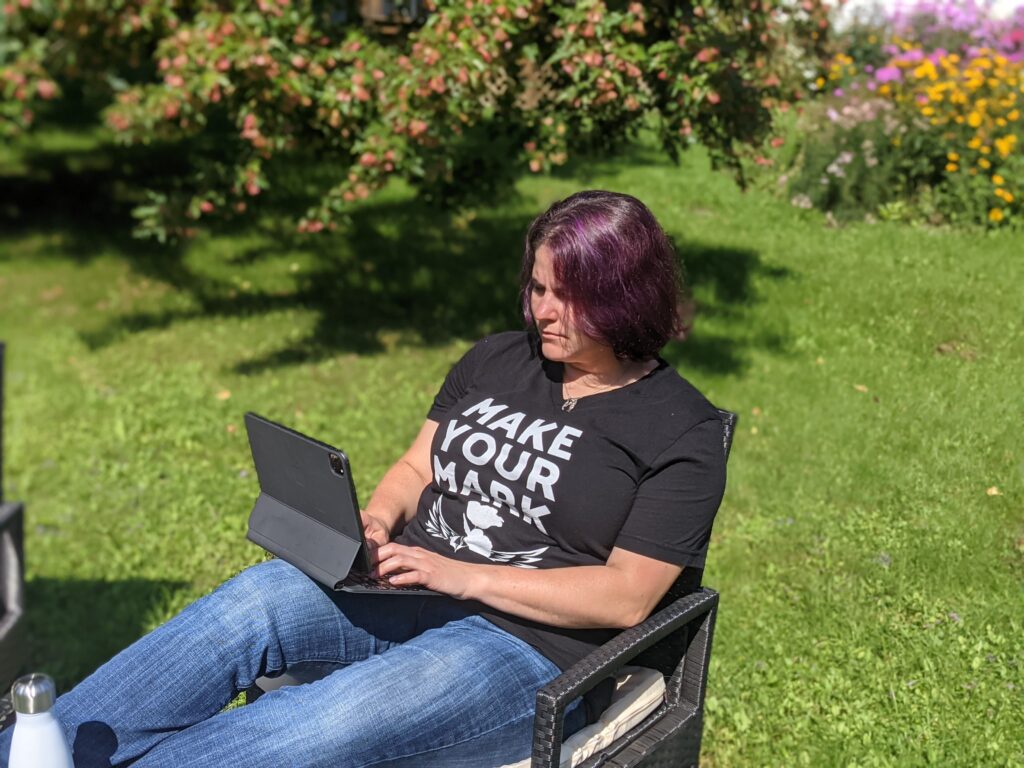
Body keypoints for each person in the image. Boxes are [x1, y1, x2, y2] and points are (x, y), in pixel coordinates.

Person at [0, 190, 726, 768]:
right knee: (246, 608)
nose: (541, 312)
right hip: (402, 585)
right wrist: (376, 521)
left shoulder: (679, 428)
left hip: (523, 650)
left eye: (567, 296)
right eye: (536, 287)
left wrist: (459, 576)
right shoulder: (499, 359)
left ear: (625, 297)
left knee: (318, 721)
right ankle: (30, 753)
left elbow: (627, 597)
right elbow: (417, 466)